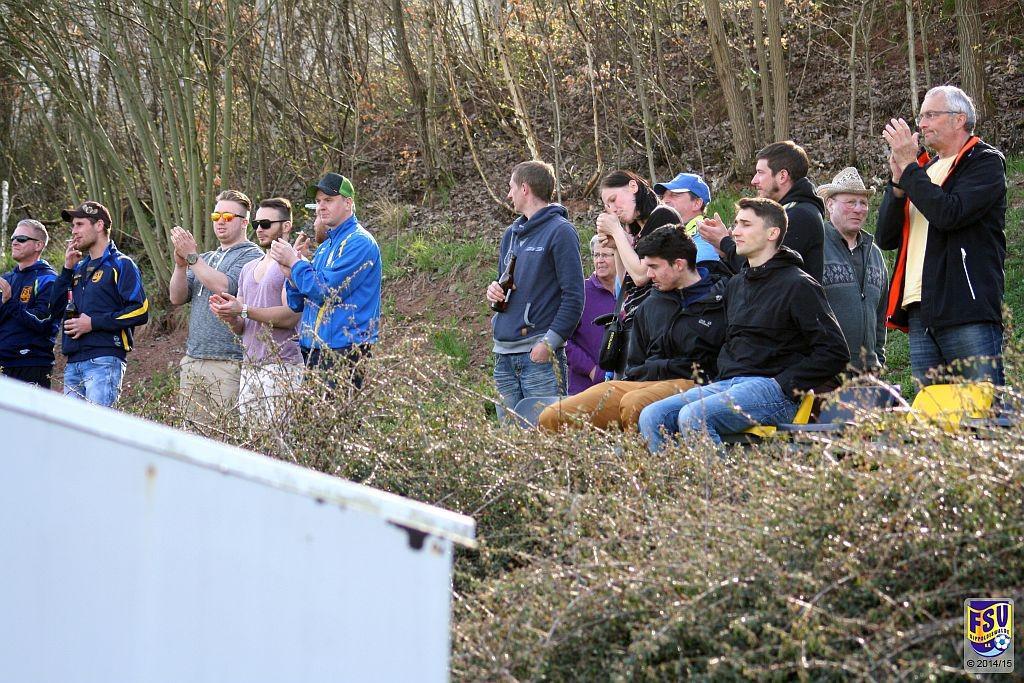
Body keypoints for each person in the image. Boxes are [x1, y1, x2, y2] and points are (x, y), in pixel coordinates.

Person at [639, 198, 848, 450]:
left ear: (772, 233)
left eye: (746, 225)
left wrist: (784, 384)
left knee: (694, 416)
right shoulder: (736, 284)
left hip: (772, 390)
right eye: (736, 223)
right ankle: (676, 477)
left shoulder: (799, 284)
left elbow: (835, 352)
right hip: (727, 383)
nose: (735, 231)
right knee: (652, 416)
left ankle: (714, 478)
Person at [539, 225, 727, 431]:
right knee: (553, 415)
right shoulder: (651, 304)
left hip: (695, 384)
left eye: (654, 267)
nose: (648, 274)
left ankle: (637, 453)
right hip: (640, 383)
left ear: (679, 264)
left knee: (634, 404)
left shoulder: (720, 299)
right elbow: (635, 363)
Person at [878, 85, 1006, 385]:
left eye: (931, 115)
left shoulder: (984, 161)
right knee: (933, 410)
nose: (922, 124)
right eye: (921, 117)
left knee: (980, 406)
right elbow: (885, 238)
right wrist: (897, 182)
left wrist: (910, 167)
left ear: (959, 119)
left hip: (965, 306)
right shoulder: (924, 171)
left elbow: (949, 214)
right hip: (919, 309)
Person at [487, 160, 584, 419]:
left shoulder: (561, 232)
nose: (509, 195)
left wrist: (548, 344)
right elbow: (503, 284)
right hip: (503, 358)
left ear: (525, 188)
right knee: (509, 438)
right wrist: (493, 291)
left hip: (538, 360)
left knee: (546, 435)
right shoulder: (510, 234)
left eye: (511, 187)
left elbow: (574, 297)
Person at [272, 172, 382, 389]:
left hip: (343, 350)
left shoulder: (359, 242)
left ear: (348, 203)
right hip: (313, 349)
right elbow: (298, 303)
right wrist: (291, 275)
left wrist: (294, 263)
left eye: (328, 200)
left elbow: (325, 291)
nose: (321, 206)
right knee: (313, 413)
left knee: (336, 413)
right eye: (318, 201)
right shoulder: (324, 248)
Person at [169, 190, 263, 423]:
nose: (221, 221)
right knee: (191, 436)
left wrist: (192, 257)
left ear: (244, 222)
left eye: (228, 217)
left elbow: (223, 286)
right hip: (193, 359)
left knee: (226, 434)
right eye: (216, 216)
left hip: (229, 363)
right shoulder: (207, 258)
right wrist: (180, 265)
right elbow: (177, 297)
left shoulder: (252, 256)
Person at [208, 197, 302, 419]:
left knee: (280, 439)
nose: (259, 229)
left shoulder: (296, 264)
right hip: (250, 366)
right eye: (256, 224)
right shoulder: (249, 267)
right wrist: (230, 315)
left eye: (266, 224)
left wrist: (242, 309)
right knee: (250, 438)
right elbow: (242, 326)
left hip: (283, 365)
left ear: (286, 226)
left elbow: (291, 316)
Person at [49, 201, 149, 406]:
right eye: (73, 226)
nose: (74, 231)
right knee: (71, 427)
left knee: (98, 424)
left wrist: (93, 323)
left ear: (99, 225)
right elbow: (54, 309)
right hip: (73, 363)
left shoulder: (121, 263)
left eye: (79, 224)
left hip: (104, 360)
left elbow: (140, 310)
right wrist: (67, 269)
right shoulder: (78, 268)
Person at [594, 170, 684, 372]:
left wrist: (616, 231)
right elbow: (626, 284)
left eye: (614, 199)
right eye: (607, 205)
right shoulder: (636, 231)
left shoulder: (663, 215)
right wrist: (616, 246)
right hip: (635, 323)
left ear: (633, 187)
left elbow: (642, 275)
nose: (613, 209)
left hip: (658, 324)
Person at [699, 140, 826, 282]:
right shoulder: (795, 211)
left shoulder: (800, 216)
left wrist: (725, 243)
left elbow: (764, 270)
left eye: (760, 172)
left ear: (782, 176)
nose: (754, 181)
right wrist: (728, 251)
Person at [817, 167, 888, 375]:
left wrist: (878, 359)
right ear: (830, 204)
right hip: (825, 374)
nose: (859, 209)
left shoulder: (875, 254)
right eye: (850, 202)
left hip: (869, 375)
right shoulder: (815, 246)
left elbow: (881, 316)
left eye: (863, 203)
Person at [0, 219, 60, 388]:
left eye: (21, 239)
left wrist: (10, 302)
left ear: (38, 245)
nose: (14, 242)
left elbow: (43, 321)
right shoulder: (6, 279)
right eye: (13, 238)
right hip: (3, 363)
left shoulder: (49, 279)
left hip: (31, 364)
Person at [564, 235, 616, 394]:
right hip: (584, 389)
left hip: (625, 386)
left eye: (605, 255)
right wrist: (592, 370)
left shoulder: (632, 292)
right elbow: (564, 340)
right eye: (596, 255)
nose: (600, 260)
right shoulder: (580, 292)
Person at [652, 172, 723, 268]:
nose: (664, 200)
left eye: (674, 195)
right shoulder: (663, 233)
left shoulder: (707, 237)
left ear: (697, 203)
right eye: (662, 196)